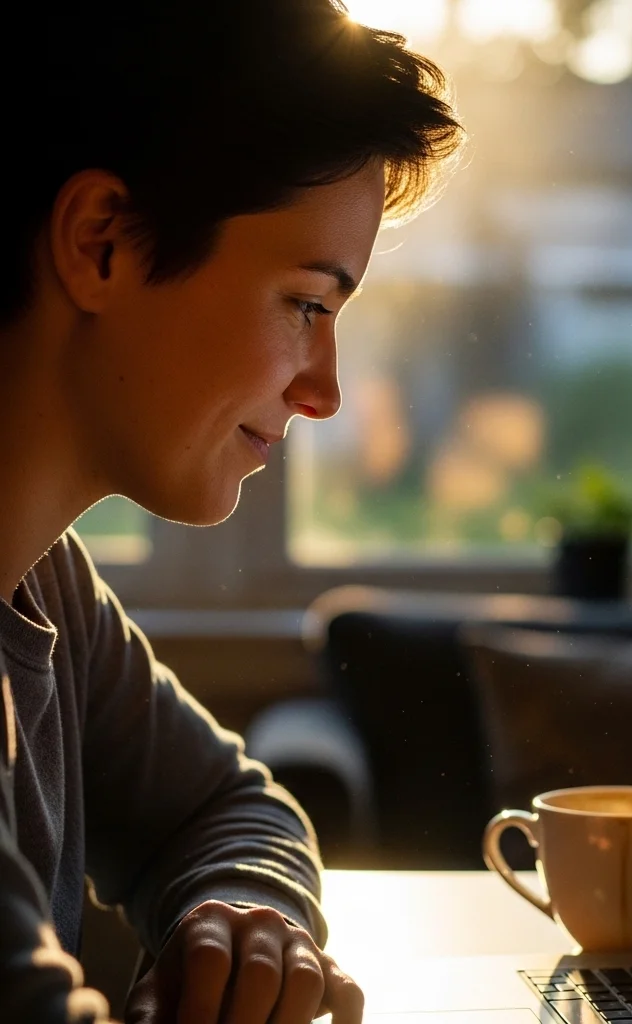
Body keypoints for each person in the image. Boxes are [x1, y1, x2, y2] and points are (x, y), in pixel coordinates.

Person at [0, 1, 463, 1022]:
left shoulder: (41, 580)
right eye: (306, 302)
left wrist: (239, 915)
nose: (325, 391)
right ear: (102, 241)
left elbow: (229, 808)